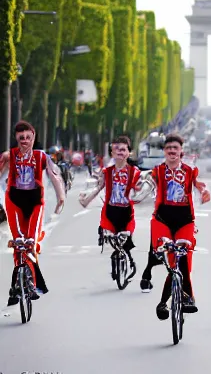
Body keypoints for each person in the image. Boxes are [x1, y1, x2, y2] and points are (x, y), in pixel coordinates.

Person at [142, 133, 210, 318]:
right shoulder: (157, 171)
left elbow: (199, 184)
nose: (172, 151)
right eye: (168, 148)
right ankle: (166, 301)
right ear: (164, 151)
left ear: (181, 151)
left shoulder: (189, 171)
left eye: (175, 148)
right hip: (162, 219)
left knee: (183, 262)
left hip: (185, 220)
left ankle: (177, 300)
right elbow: (145, 184)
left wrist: (204, 192)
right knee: (172, 263)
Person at [0, 121, 65, 305]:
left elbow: (55, 176)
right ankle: (18, 283)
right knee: (19, 242)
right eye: (21, 138)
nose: (25, 141)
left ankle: (33, 282)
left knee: (31, 241)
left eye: (28, 137)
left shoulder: (41, 156)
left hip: (35, 201)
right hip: (14, 201)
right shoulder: (10, 156)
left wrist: (61, 197)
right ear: (16, 139)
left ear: (34, 137)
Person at [79, 136, 142, 280]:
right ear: (112, 153)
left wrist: (140, 192)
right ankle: (119, 256)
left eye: (123, 149)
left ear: (128, 152)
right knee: (110, 239)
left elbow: (140, 191)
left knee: (125, 239)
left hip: (126, 212)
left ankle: (130, 261)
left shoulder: (135, 172)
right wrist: (86, 200)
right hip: (109, 211)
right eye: (116, 149)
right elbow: (98, 188)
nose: (120, 152)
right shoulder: (107, 172)